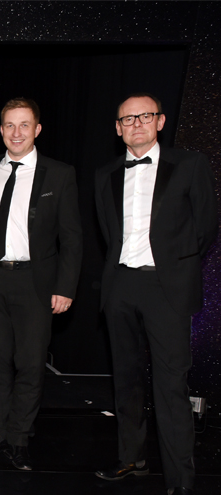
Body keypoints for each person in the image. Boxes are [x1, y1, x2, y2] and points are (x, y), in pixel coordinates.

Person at [94, 93, 217, 495]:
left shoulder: (190, 165)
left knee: (170, 387)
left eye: (145, 116)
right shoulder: (105, 174)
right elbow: (108, 234)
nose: (137, 124)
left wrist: (175, 267)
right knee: (126, 380)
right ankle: (132, 458)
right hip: (120, 287)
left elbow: (206, 228)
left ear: (160, 121)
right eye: (128, 119)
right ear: (118, 129)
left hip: (167, 289)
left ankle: (180, 481)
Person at [0, 98, 82, 471]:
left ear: (37, 129)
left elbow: (72, 237)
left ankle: (19, 438)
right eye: (10, 125)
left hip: (34, 282)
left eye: (24, 125)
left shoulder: (59, 174)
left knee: (29, 364)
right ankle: (1, 431)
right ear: (1, 130)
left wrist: (65, 287)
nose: (16, 133)